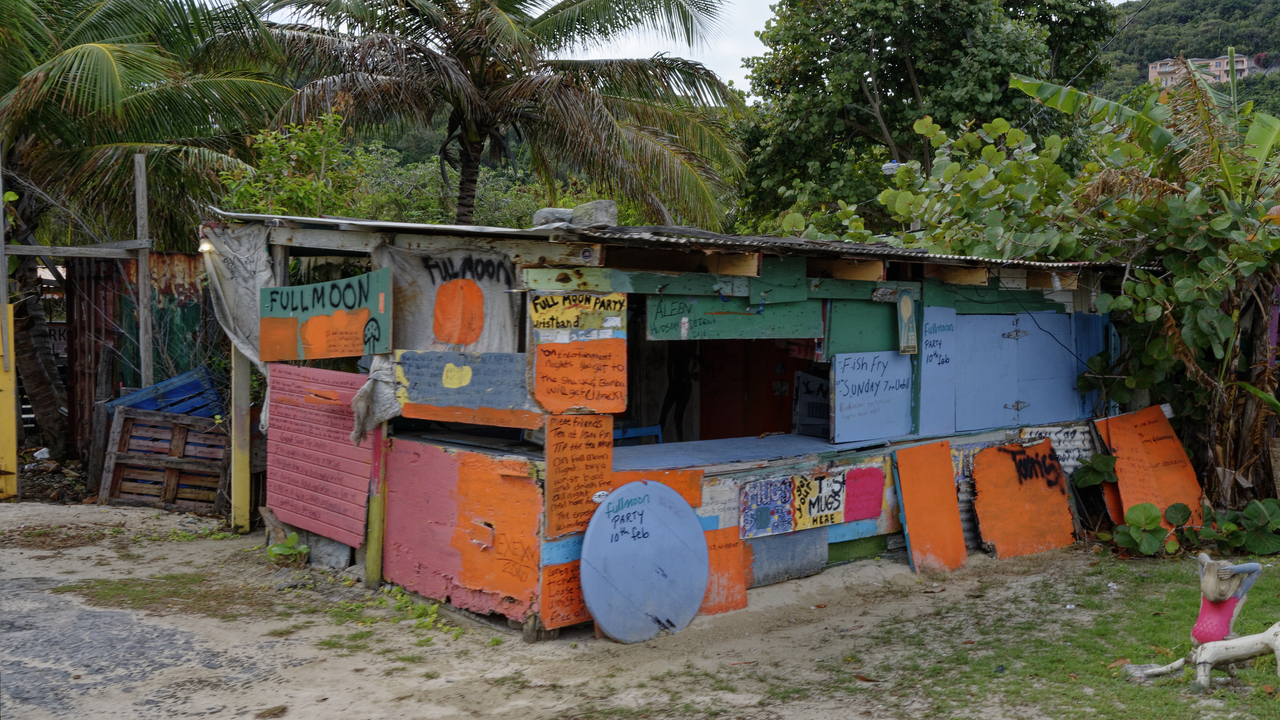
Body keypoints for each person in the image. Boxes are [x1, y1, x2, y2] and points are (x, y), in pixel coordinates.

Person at [1192, 552, 1262, 646]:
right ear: (1234, 579)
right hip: (1219, 639)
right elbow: (1257, 568)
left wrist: (1209, 564)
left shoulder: (1205, 591)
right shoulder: (1236, 595)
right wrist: (1234, 570)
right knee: (1237, 640)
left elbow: (1201, 555)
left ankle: (1197, 649)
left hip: (1196, 637)